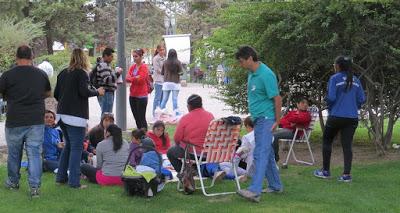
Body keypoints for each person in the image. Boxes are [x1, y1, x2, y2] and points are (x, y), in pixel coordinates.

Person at [0, 45, 51, 197]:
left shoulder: (8, 75)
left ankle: (13, 182)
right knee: (34, 154)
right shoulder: (41, 74)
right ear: (32, 56)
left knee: (14, 154)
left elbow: (1, 93)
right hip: (35, 119)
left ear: (16, 57)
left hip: (15, 119)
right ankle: (34, 188)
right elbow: (48, 93)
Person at [235, 46, 283, 202]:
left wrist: (277, 120)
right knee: (267, 154)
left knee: (260, 153)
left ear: (250, 58)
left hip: (266, 119)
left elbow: (277, 99)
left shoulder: (266, 74)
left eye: (241, 61)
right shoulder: (251, 73)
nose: (240, 65)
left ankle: (254, 190)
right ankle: (275, 185)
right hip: (258, 119)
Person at [54, 48, 105, 189]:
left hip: (62, 115)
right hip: (75, 117)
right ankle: (74, 182)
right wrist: (97, 92)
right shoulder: (82, 73)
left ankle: (61, 177)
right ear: (84, 58)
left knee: (68, 146)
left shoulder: (63, 72)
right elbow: (84, 91)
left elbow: (56, 94)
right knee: (76, 148)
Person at [314, 56, 366, 182]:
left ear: (338, 66)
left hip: (336, 116)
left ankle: (325, 171)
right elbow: (362, 99)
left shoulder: (334, 78)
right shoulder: (356, 80)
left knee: (327, 141)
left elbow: (331, 98)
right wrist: (353, 107)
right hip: (352, 118)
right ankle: (346, 175)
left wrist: (330, 105)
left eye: (334, 64)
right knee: (347, 146)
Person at [167, 94, 214, 173]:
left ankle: (185, 174)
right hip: (209, 154)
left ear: (189, 106)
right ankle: (192, 170)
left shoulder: (185, 118)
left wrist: (181, 143)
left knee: (170, 152)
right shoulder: (210, 116)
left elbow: (177, 139)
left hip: (193, 153)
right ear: (201, 104)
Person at [272, 96, 311, 162]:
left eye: (306, 103)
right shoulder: (293, 112)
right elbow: (282, 121)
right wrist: (291, 123)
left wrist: (292, 121)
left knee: (274, 136)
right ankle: (269, 156)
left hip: (295, 133)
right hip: (287, 130)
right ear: (297, 104)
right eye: (303, 103)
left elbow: (298, 119)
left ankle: (275, 157)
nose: (305, 104)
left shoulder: (307, 115)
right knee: (269, 133)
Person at [126, 48, 150, 130]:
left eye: (136, 56)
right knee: (136, 117)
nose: (134, 58)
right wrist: (135, 77)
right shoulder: (132, 67)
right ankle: (139, 134)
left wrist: (132, 78)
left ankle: (144, 135)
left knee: (141, 117)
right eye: (133, 56)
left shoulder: (144, 67)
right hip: (132, 95)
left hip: (142, 96)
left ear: (141, 56)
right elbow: (127, 78)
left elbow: (141, 79)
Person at [94, 47, 122, 114]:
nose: (112, 58)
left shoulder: (104, 65)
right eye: (111, 56)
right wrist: (118, 73)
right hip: (106, 93)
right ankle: (104, 125)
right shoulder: (104, 65)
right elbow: (107, 80)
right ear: (106, 56)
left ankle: (104, 124)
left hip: (105, 93)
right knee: (107, 115)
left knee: (106, 114)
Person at [160, 49, 183, 116]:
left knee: (164, 99)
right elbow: (181, 72)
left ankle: (161, 112)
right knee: (174, 99)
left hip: (166, 83)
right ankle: (176, 113)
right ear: (175, 54)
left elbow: (162, 73)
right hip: (175, 83)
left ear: (168, 54)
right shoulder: (178, 62)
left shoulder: (165, 62)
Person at [152, 44, 166, 117]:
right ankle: (155, 113)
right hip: (158, 81)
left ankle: (161, 113)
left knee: (163, 98)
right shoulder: (156, 58)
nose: (162, 51)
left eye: (163, 49)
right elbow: (157, 69)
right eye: (160, 50)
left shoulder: (164, 58)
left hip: (164, 81)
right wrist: (165, 72)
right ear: (157, 50)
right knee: (157, 98)